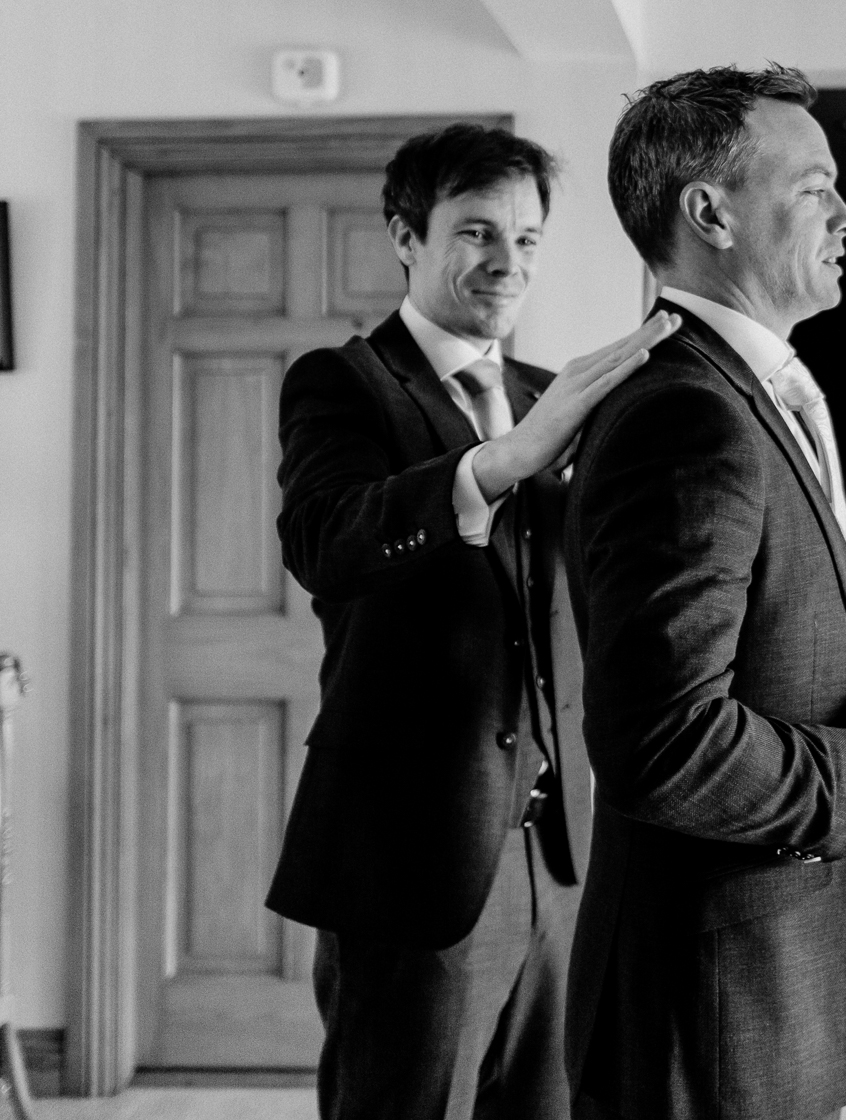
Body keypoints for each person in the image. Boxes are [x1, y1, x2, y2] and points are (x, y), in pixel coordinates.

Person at [564, 65, 846, 1120]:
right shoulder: (682, 416)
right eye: (814, 187)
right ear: (710, 212)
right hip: (717, 1009)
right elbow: (662, 746)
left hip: (775, 981)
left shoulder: (751, 386)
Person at [267, 122, 679, 1120]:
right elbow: (325, 538)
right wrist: (499, 461)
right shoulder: (344, 382)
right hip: (414, 860)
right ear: (407, 235)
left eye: (529, 238)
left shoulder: (550, 396)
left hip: (560, 857)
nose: (508, 261)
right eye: (478, 231)